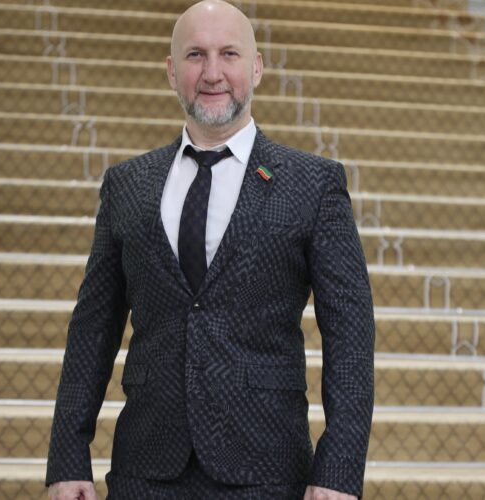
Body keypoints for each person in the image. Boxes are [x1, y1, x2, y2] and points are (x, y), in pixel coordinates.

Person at [45, 1, 375, 499]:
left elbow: (350, 332)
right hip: (145, 472)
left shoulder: (313, 184)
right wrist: (68, 456)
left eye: (229, 54)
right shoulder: (127, 185)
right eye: (196, 55)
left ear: (257, 68)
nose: (213, 73)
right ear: (171, 71)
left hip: (268, 473)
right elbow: (93, 327)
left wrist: (338, 470)